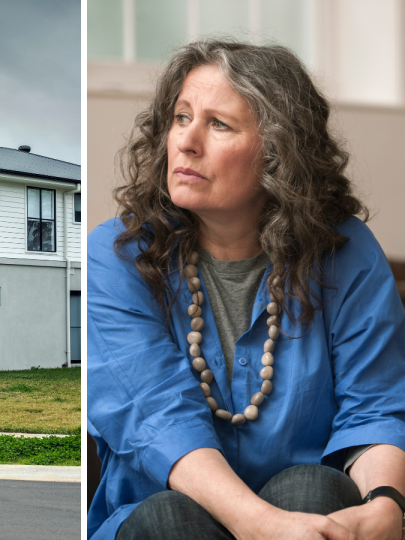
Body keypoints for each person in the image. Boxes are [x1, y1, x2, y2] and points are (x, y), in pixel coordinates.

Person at [86, 40, 405, 540]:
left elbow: (376, 406)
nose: (186, 142)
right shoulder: (115, 255)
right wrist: (263, 525)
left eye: (219, 125)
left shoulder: (346, 252)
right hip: (162, 521)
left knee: (312, 489)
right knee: (168, 517)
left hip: (309, 515)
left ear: (278, 153)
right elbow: (154, 418)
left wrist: (387, 506)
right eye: (181, 117)